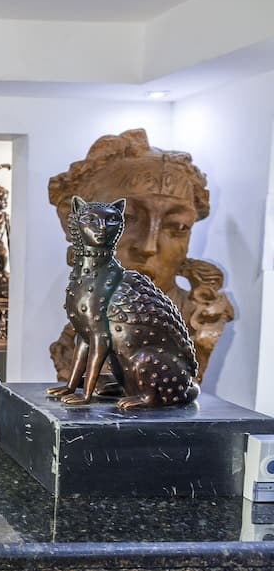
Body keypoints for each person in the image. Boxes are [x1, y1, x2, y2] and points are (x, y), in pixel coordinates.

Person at [47, 128, 234, 382]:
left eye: (178, 226)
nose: (148, 246)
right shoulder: (83, 316)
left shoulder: (200, 322)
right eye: (127, 219)